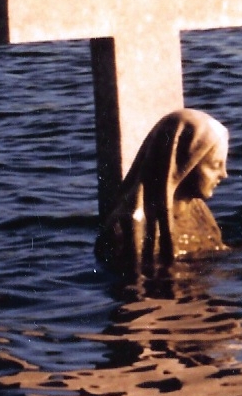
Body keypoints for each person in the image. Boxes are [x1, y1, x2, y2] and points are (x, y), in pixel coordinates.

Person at [96, 109, 229, 277]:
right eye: (215, 165)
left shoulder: (199, 212)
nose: (224, 174)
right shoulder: (128, 228)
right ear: (184, 163)